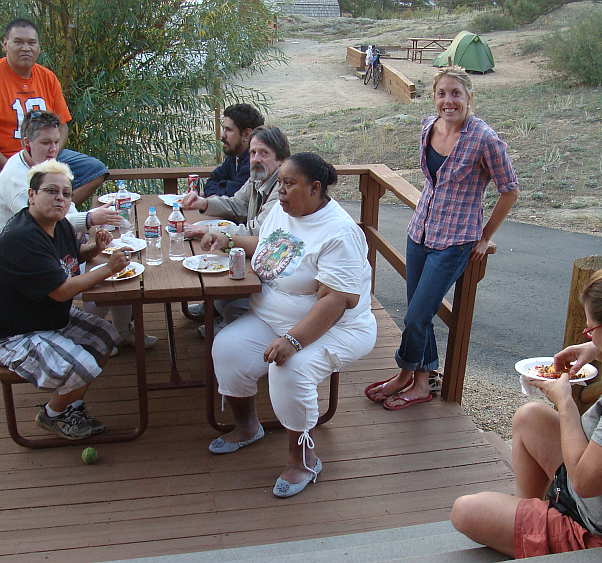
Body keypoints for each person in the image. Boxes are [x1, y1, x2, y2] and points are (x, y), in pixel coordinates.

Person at [450, 264, 602, 557]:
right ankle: (532, 518)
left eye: (592, 330)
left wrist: (565, 403)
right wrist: (597, 349)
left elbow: (584, 482)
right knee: (529, 417)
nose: (589, 336)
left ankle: (543, 532)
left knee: (464, 511)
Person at [200, 153, 377, 498]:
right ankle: (248, 427)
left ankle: (303, 459)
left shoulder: (340, 233)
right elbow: (269, 250)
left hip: (338, 329)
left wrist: (293, 342)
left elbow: (334, 303)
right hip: (275, 318)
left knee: (289, 370)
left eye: (288, 184)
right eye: (279, 182)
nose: (279, 191)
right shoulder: (283, 211)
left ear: (314, 189)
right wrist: (230, 239)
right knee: (227, 347)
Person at [365, 66, 519, 410]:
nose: (448, 101)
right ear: (434, 97)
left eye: (456, 94)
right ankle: (423, 379)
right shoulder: (427, 127)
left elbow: (510, 190)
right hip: (419, 231)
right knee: (422, 309)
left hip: (455, 240)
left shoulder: (484, 139)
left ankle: (405, 374)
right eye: (441, 94)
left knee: (417, 316)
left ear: (469, 98)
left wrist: (485, 236)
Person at [0, 160, 132, 440]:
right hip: (4, 334)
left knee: (105, 337)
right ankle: (53, 414)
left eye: (66, 194)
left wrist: (94, 248)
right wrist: (108, 268)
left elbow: (69, 258)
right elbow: (62, 290)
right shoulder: (23, 238)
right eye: (51, 191)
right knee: (84, 366)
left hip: (40, 315)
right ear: (31, 195)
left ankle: (71, 408)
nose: (60, 198)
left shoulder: (58, 224)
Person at [0, 109, 157, 353]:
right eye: (45, 143)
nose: (53, 150)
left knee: (122, 264)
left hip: (52, 249)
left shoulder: (42, 167)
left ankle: (121, 331)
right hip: (23, 270)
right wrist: (89, 218)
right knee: (103, 274)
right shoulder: (19, 181)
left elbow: (63, 212)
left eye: (57, 142)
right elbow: (44, 226)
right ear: (27, 143)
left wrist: (90, 232)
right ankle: (92, 337)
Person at [0, 18, 109, 207]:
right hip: (0, 163)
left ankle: (61, 213)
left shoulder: (47, 78)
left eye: (31, 43)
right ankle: (49, 219)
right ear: (5, 45)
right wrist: (12, 166)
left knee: (96, 171)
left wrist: (52, 157)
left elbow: (62, 125)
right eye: (18, 42)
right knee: (22, 213)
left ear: (39, 47)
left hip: (42, 156)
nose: (26, 48)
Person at [181, 126, 290, 333]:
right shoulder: (258, 177)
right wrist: (203, 203)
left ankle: (228, 324)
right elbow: (236, 205)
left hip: (272, 263)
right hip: (255, 254)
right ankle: (219, 313)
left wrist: (207, 232)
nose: (256, 159)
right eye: (252, 152)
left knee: (224, 289)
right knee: (220, 279)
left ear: (281, 160)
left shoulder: (282, 189)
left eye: (264, 153)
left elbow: (256, 231)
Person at [203, 103, 264, 197]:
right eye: (224, 129)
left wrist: (216, 197)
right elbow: (212, 180)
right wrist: (214, 195)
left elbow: (234, 195)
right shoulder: (234, 156)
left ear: (247, 134)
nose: (223, 135)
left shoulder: (255, 163)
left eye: (229, 130)